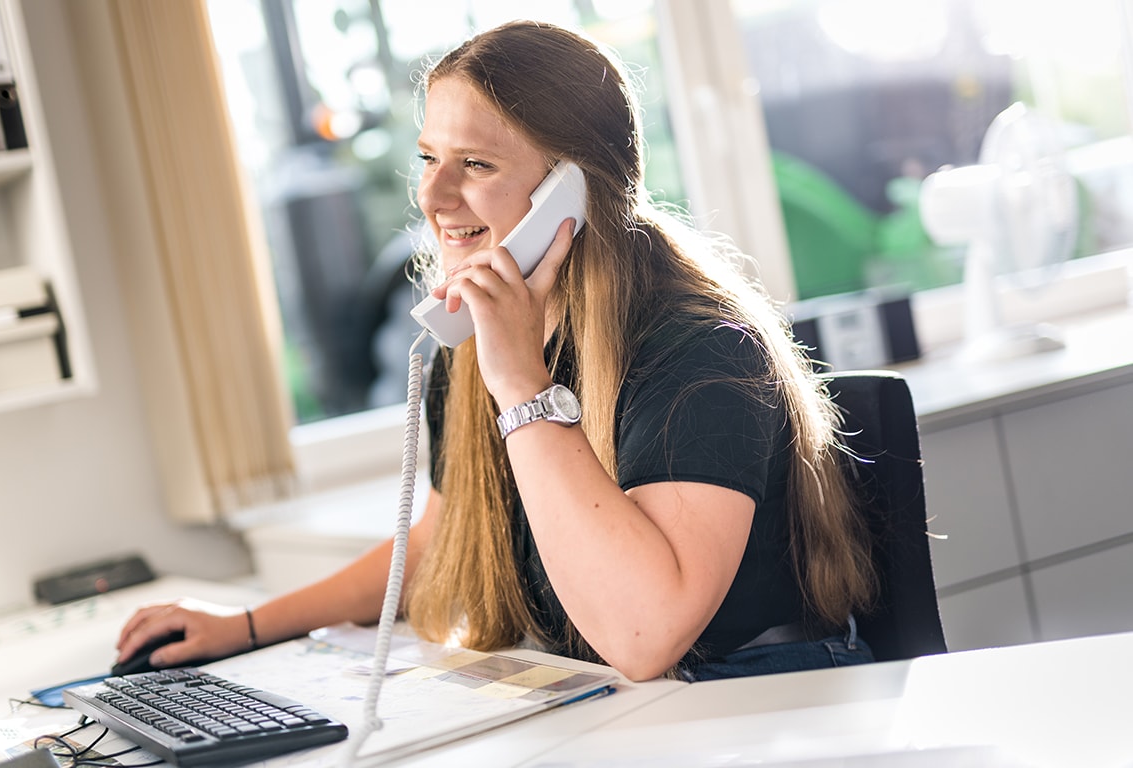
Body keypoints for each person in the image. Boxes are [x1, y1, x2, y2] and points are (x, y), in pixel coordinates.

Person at [116, 20, 878, 683]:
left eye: (475, 164)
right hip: (616, 701)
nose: (433, 197)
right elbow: (444, 535)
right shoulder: (488, 338)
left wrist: (521, 386)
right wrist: (248, 625)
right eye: (427, 159)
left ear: (570, 192)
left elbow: (646, 637)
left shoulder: (700, 350)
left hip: (759, 700)